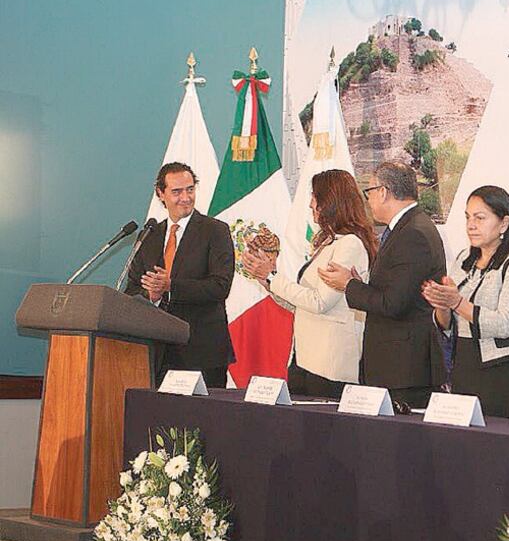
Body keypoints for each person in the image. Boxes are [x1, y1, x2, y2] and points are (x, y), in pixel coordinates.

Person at [318, 161, 446, 408]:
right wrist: (359, 283)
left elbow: (393, 304)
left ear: (383, 191)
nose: (368, 200)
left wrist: (349, 285)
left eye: (370, 192)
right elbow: (395, 288)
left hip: (403, 368)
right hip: (396, 365)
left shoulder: (413, 234)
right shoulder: (407, 227)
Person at [243, 169, 376, 399]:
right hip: (304, 358)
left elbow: (319, 302)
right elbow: (300, 303)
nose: (311, 204)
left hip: (328, 365)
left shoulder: (350, 245)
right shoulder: (328, 242)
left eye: (315, 197)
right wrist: (266, 279)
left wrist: (274, 278)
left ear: (330, 202)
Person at [421, 185, 509, 418]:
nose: (471, 225)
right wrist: (442, 305)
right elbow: (447, 325)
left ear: (504, 223)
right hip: (463, 364)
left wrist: (456, 302)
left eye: (480, 218)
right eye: (467, 217)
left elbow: (506, 324)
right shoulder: (464, 258)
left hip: (500, 372)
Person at [126, 162, 235, 388]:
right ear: (160, 194)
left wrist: (171, 286)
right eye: (176, 192)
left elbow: (220, 286)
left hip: (202, 351)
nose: (185, 197)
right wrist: (151, 295)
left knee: (204, 422)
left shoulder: (215, 231)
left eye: (190, 189)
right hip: (157, 353)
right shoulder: (149, 236)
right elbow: (132, 289)